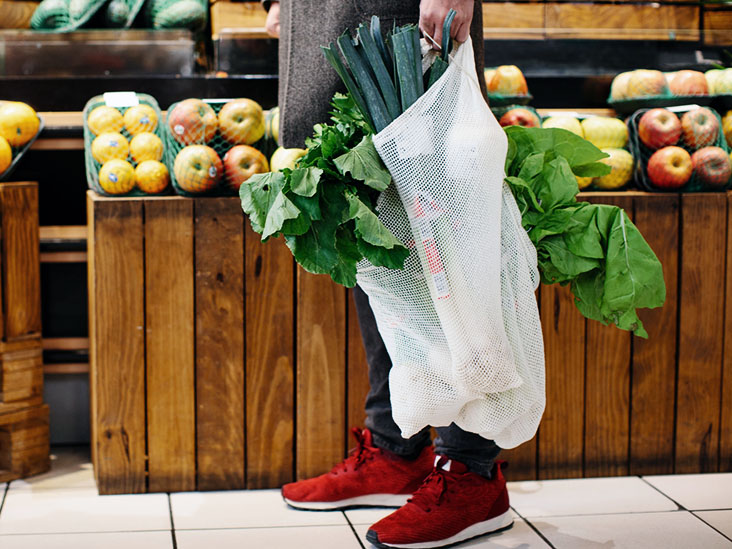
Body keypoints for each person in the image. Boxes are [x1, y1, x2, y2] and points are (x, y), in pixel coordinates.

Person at [261, 2, 513, 547]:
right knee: (370, 232)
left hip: (405, 21)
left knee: (444, 240)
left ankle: (471, 469)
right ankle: (397, 447)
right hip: (330, 19)